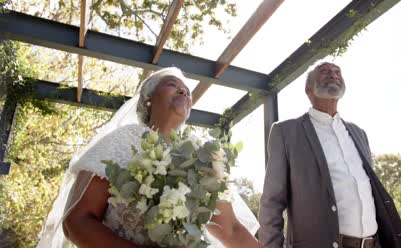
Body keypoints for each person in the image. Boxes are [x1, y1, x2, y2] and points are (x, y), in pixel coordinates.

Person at [37, 67, 260, 248]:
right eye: (173, 85)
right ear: (147, 99)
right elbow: (77, 222)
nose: (183, 91)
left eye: (187, 91)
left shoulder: (202, 158)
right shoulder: (123, 141)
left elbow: (231, 231)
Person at [259, 62, 401, 248]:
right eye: (324, 72)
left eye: (337, 72)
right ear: (308, 89)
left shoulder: (359, 133)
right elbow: (271, 202)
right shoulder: (286, 132)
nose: (333, 74)